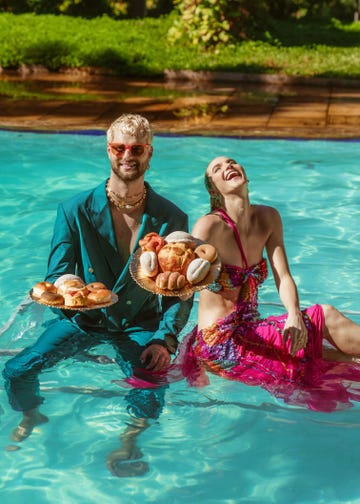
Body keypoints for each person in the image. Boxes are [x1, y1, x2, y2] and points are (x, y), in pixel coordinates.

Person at [2, 113, 193, 477]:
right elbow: (57, 272)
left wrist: (165, 341)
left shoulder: (171, 217)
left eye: (136, 148)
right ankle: (32, 414)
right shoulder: (73, 210)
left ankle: (129, 440)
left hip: (138, 321)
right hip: (85, 317)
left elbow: (179, 291)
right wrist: (73, 291)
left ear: (149, 153)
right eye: (120, 147)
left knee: (152, 389)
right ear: (109, 150)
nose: (127, 155)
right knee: (15, 372)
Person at [177, 155, 360, 412]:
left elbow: (283, 276)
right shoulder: (210, 226)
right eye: (217, 169)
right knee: (326, 317)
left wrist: (295, 315)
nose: (227, 167)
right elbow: (184, 274)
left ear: (244, 173)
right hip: (222, 343)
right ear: (213, 189)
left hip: (252, 328)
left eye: (231, 162)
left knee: (346, 360)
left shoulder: (268, 217)